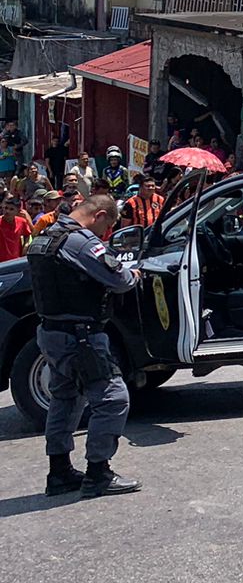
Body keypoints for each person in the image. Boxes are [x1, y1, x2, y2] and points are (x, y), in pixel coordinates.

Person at [28, 192, 142, 498]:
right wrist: (133, 275)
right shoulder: (78, 241)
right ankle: (98, 474)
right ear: (99, 216)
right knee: (113, 398)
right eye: (105, 229)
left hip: (51, 333)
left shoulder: (44, 238)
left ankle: (60, 472)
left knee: (64, 399)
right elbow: (118, 279)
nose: (103, 236)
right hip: (81, 337)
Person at [0, 194, 34, 262]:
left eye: (11, 209)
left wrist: (26, 245)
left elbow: (27, 235)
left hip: (16, 260)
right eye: (6, 208)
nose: (7, 211)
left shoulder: (22, 222)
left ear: (18, 211)